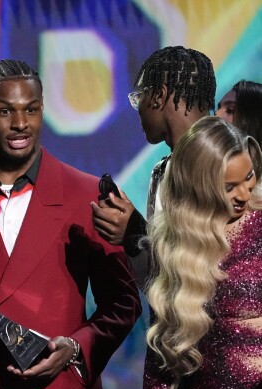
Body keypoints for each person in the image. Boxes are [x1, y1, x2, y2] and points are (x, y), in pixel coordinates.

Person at [0, 59, 142, 389]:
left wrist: (77, 347)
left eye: (31, 110)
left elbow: (123, 303)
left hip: (60, 386)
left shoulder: (86, 196)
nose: (21, 124)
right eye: (6, 112)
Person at [142, 116, 262, 389]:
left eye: (249, 177)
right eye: (229, 187)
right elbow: (161, 354)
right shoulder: (175, 247)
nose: (244, 194)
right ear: (198, 187)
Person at [91, 46, 216, 286]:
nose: (138, 110)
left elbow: (213, 263)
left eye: (139, 98)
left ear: (158, 95)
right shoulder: (162, 170)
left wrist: (137, 230)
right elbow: (159, 282)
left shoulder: (226, 159)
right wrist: (133, 234)